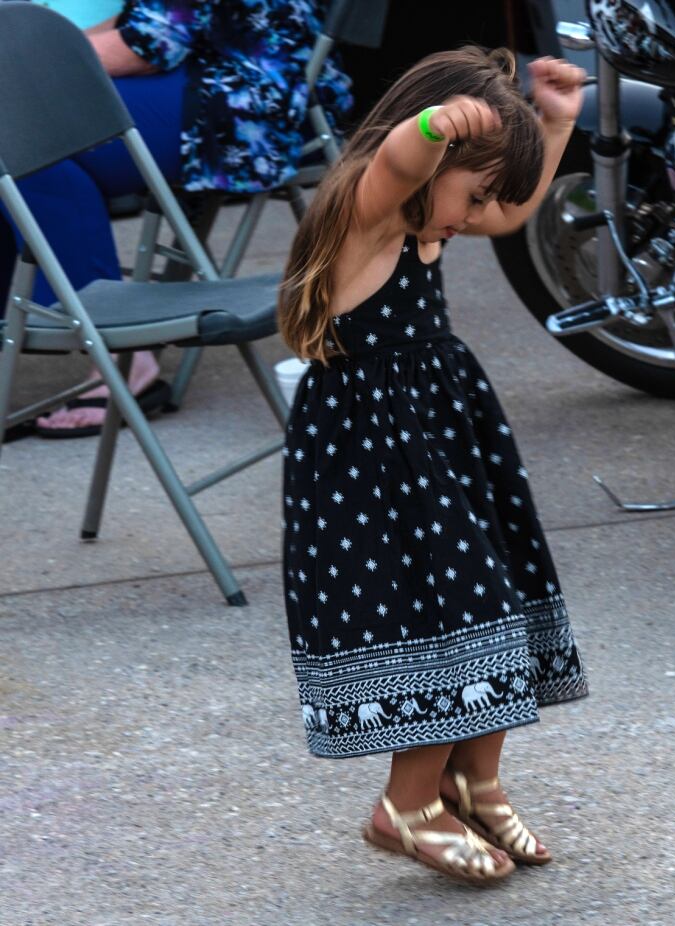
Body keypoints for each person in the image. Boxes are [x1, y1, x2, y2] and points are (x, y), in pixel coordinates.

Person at [277, 47, 589, 884]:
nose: (478, 213)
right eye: (472, 191)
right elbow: (395, 163)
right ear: (439, 158)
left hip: (440, 440)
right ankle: (406, 805)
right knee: (440, 620)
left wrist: (553, 123)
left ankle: (476, 783)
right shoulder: (370, 214)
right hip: (372, 464)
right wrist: (431, 129)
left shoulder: (428, 222)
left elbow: (510, 212)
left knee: (501, 602)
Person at [0, 0, 351, 438]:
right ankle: (53, 332)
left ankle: (118, 354)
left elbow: (147, 46)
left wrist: (19, 69)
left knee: (23, 129)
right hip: (219, 72)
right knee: (17, 123)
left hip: (253, 97)